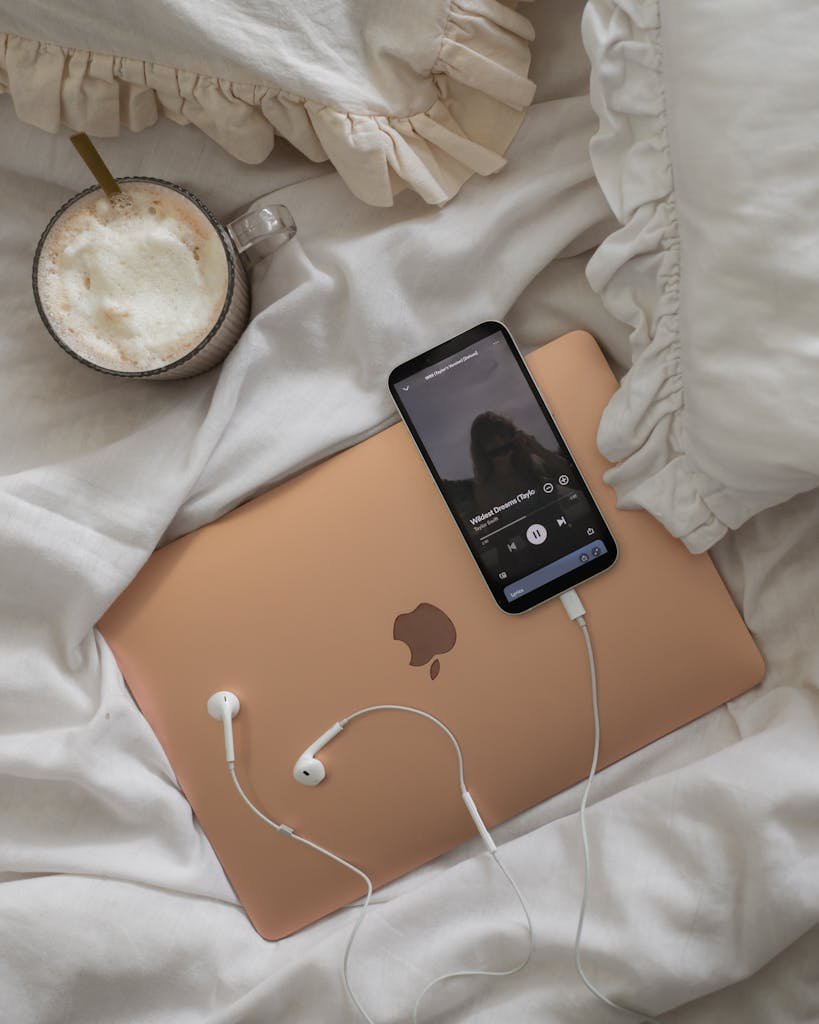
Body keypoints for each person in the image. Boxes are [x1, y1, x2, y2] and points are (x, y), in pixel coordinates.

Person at [470, 411, 571, 512]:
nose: (500, 443)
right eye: (490, 440)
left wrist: (540, 451)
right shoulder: (486, 490)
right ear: (481, 449)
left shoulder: (535, 464)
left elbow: (573, 477)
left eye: (503, 436)